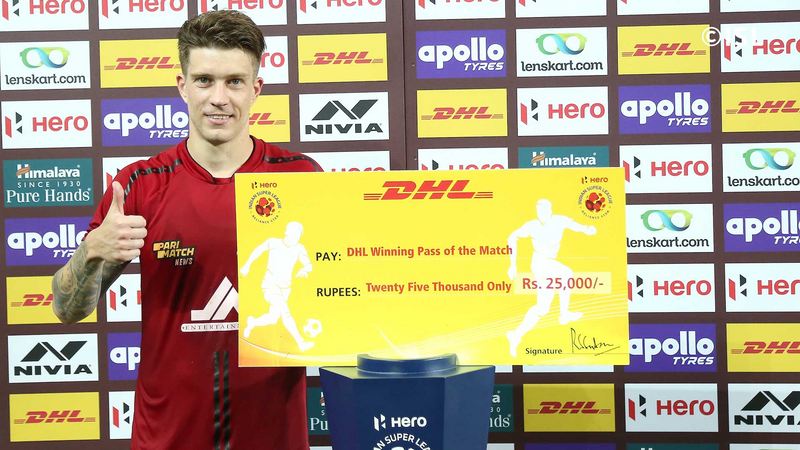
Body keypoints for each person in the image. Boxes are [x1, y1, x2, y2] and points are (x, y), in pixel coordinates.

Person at [51, 10, 320, 449]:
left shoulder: (301, 177)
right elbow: (66, 309)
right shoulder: (140, 184)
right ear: (182, 86)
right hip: (167, 435)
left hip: (274, 434)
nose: (219, 98)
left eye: (234, 82)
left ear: (256, 89)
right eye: (204, 81)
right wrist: (92, 250)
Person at [505, 199, 596, 357]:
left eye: (543, 211)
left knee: (542, 309)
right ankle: (564, 314)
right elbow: (511, 238)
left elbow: (574, 226)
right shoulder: (532, 226)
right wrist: (513, 265)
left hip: (550, 263)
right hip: (539, 263)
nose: (540, 214)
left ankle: (515, 335)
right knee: (566, 273)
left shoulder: (560, 221)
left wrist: (586, 229)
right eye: (538, 211)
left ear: (550, 211)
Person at [240, 221, 314, 351]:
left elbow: (309, 265)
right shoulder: (273, 242)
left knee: (273, 319)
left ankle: (252, 323)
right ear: (286, 232)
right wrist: (247, 265)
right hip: (270, 285)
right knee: (285, 312)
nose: (296, 237)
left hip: (286, 289)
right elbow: (258, 250)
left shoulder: (299, 248)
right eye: (294, 234)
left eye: (299, 235)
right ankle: (301, 343)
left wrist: (304, 269)